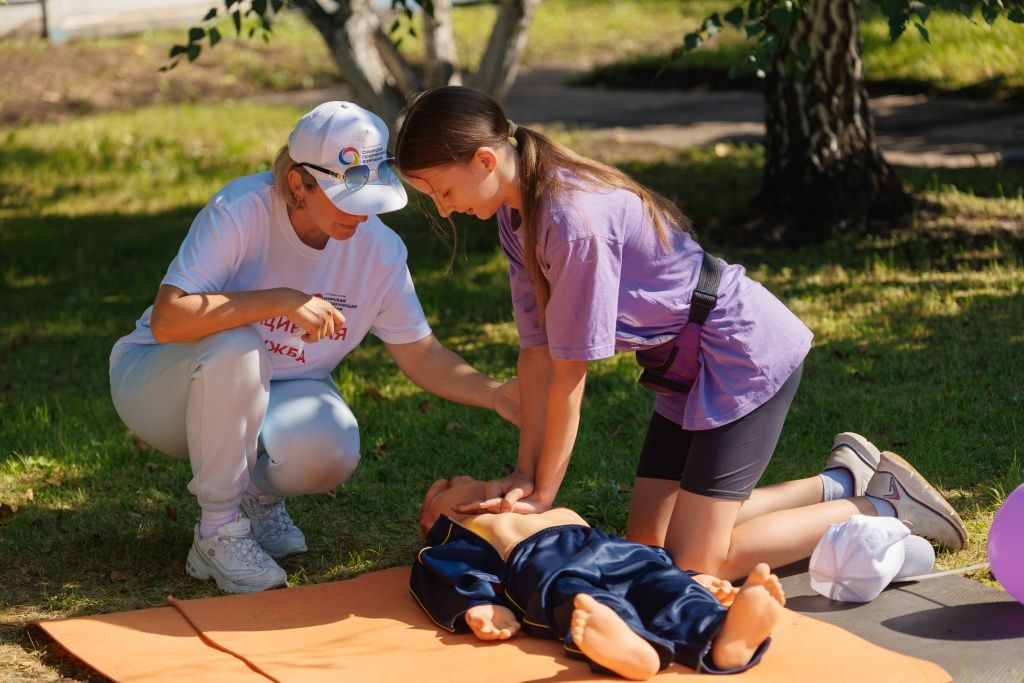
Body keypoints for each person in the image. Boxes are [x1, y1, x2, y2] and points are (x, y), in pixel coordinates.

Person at [393, 85, 968, 582]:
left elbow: (570, 374)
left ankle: (879, 505)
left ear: (486, 161)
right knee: (648, 547)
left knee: (699, 566)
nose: (443, 212)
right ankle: (839, 482)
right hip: (682, 366)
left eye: (442, 192)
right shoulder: (516, 219)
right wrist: (522, 470)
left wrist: (544, 491)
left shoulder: (573, 223)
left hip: (741, 353)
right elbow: (535, 355)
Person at [109, 101, 519, 594]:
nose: (363, 213)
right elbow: (169, 319)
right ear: (298, 184)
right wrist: (281, 301)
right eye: (346, 196)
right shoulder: (241, 209)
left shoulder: (380, 251)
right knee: (238, 347)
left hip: (274, 391)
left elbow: (423, 354)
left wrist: (496, 394)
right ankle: (216, 529)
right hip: (158, 385)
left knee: (328, 446)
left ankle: (256, 500)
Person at [412, 475, 786, 679]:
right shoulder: (458, 533)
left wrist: (689, 578)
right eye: (446, 488)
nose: (462, 478)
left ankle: (721, 637)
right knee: (583, 601)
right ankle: (633, 650)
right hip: (545, 564)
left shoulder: (529, 505)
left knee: (661, 583)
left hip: (620, 552)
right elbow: (444, 571)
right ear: (433, 521)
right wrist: (478, 605)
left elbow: (644, 560)